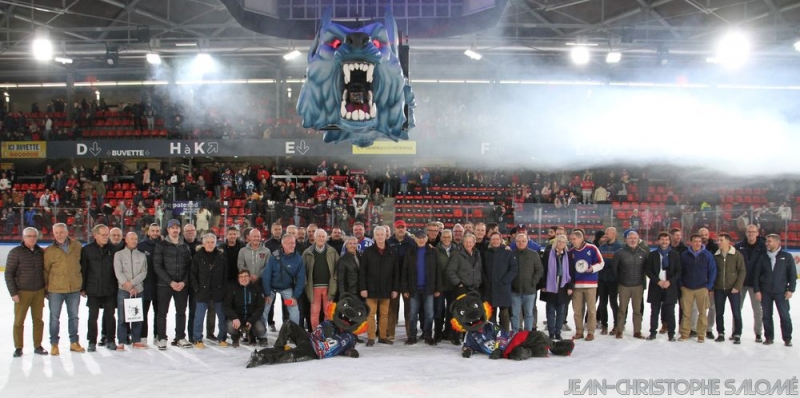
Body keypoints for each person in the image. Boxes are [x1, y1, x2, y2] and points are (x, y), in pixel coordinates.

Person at [5, 227, 48, 357]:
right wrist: (13, 293)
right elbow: (9, 273)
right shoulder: (16, 252)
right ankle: (18, 347)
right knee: (19, 321)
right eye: (29, 236)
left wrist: (45, 290)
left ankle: (38, 345)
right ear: (23, 238)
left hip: (38, 291)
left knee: (38, 320)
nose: (32, 238)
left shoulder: (40, 252)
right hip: (22, 292)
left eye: (34, 236)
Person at [44, 222, 85, 355]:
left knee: (74, 317)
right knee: (54, 318)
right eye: (56, 233)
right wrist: (46, 289)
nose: (59, 235)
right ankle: (54, 344)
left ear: (67, 232)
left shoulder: (77, 246)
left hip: (73, 289)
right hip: (55, 290)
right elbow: (45, 271)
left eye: (61, 232)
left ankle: (74, 342)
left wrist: (82, 285)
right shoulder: (49, 251)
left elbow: (82, 265)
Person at [154, 219, 193, 350]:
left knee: (181, 312)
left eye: (177, 228)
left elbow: (189, 267)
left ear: (180, 230)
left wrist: (183, 282)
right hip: (165, 285)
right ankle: (161, 338)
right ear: (168, 230)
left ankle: (180, 337)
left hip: (181, 286)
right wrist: (170, 282)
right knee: (162, 313)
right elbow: (157, 266)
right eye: (172, 228)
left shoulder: (185, 246)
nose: (175, 230)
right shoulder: (161, 245)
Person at [81, 224, 119, 351]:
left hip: (110, 289)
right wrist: (83, 288)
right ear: (95, 235)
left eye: (107, 234)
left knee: (110, 316)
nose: (105, 237)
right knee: (93, 317)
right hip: (93, 289)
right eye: (103, 235)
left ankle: (111, 339)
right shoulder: (87, 250)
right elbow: (84, 270)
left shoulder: (114, 249)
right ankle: (92, 341)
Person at [359, 226, 399, 346]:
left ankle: (382, 336)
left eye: (382, 234)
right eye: (378, 235)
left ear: (386, 235)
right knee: (370, 314)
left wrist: (395, 289)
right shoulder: (368, 252)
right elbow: (362, 272)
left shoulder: (392, 251)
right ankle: (371, 337)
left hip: (386, 288)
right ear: (374, 236)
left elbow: (396, 272)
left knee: (384, 314)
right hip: (371, 289)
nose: (380, 237)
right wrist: (363, 288)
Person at [753, 234, 796, 346]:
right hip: (765, 292)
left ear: (777, 242)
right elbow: (756, 275)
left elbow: (792, 275)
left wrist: (791, 290)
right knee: (766, 316)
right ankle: (769, 337)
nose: (767, 243)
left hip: (781, 292)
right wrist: (757, 290)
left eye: (770, 241)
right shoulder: (762, 257)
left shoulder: (787, 257)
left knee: (784, 316)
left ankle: (787, 338)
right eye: (767, 241)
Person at [401, 229, 441, 345]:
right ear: (415, 239)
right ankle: (412, 336)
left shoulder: (433, 252)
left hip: (429, 288)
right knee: (413, 314)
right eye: (419, 237)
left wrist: (438, 288)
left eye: (423, 237)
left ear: (427, 238)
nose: (421, 239)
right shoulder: (410, 252)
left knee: (429, 314)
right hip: (414, 288)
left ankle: (428, 335)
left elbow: (438, 271)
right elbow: (405, 271)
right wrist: (405, 288)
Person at [190, 233, 229, 348]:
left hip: (218, 292)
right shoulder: (197, 257)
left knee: (222, 317)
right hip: (202, 292)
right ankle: (197, 339)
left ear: (215, 243)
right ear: (203, 243)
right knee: (199, 317)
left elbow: (225, 275)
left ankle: (222, 338)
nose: (210, 244)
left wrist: (223, 289)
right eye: (208, 242)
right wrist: (197, 288)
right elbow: (193, 275)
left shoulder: (221, 257)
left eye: (212, 242)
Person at [444, 233, 482, 345]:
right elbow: (450, 271)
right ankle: (455, 336)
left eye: (470, 242)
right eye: (466, 242)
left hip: (474, 288)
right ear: (463, 242)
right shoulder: (457, 254)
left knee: (471, 314)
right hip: (462, 288)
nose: (468, 244)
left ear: (474, 243)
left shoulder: (477, 253)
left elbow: (479, 269)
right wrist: (459, 284)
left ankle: (467, 335)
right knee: (459, 313)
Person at [610, 230, 648, 339]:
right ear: (626, 239)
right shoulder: (619, 253)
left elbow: (645, 270)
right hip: (624, 285)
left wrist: (643, 284)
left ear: (638, 239)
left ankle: (637, 331)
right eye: (630, 238)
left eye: (634, 238)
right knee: (622, 309)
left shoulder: (643, 253)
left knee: (637, 310)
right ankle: (619, 330)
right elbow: (614, 269)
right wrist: (620, 281)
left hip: (637, 285)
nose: (632, 240)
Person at [678, 234, 716, 343]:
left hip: (702, 288)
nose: (697, 243)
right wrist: (681, 284)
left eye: (699, 241)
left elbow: (712, 271)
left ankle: (701, 334)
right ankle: (685, 333)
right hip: (687, 288)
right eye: (695, 241)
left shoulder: (707, 255)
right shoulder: (685, 255)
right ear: (691, 242)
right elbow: (680, 271)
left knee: (702, 313)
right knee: (686, 312)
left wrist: (708, 286)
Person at [113, 232, 148, 349]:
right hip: (123, 290)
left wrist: (133, 284)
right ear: (126, 240)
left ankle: (136, 340)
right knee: (122, 317)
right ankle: (122, 341)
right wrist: (128, 286)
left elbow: (144, 272)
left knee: (137, 317)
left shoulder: (142, 255)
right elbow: (118, 272)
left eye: (136, 239)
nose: (134, 241)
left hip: (138, 290)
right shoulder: (118, 255)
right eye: (131, 239)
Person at [262, 234, 306, 326]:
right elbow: (266, 276)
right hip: (271, 288)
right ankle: (262, 334)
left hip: (286, 288)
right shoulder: (274, 257)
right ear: (283, 244)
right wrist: (267, 294)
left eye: (293, 243)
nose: (292, 245)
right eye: (289, 243)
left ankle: (294, 333)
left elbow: (301, 279)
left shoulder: (298, 259)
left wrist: (295, 297)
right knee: (265, 308)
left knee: (294, 309)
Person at [568, 230, 604, 341]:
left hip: (591, 284)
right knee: (577, 310)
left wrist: (592, 268)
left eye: (574, 239)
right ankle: (579, 331)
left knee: (591, 309)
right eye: (571, 239)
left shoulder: (592, 248)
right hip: (577, 285)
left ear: (580, 238)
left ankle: (591, 332)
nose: (572, 241)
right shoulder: (571, 252)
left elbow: (601, 263)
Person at [645, 232, 681, 341]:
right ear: (658, 241)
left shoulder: (675, 255)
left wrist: (670, 281)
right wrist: (658, 281)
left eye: (666, 240)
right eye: (662, 239)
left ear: (669, 241)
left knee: (670, 312)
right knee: (654, 312)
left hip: (670, 287)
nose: (664, 242)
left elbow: (679, 271)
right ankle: (652, 333)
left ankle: (671, 334)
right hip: (656, 286)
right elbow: (648, 270)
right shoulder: (653, 255)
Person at [734, 224, 766, 342]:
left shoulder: (763, 247)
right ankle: (735, 332)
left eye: (753, 232)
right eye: (749, 231)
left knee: (757, 310)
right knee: (737, 308)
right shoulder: (738, 246)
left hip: (756, 284)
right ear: (746, 233)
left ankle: (758, 333)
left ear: (758, 233)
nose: (751, 234)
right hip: (740, 283)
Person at [712, 233, 746, 344]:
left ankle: (737, 334)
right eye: (718, 240)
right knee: (719, 312)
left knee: (736, 312)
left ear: (728, 241)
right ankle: (720, 333)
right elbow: (712, 272)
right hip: (719, 289)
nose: (719, 242)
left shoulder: (737, 255)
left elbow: (742, 271)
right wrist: (712, 287)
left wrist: (737, 286)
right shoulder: (715, 255)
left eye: (721, 240)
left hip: (733, 289)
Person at [302, 229, 339, 329]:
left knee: (328, 312)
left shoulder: (332, 251)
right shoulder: (308, 252)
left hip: (329, 286)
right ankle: (316, 333)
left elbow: (338, 266)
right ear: (314, 237)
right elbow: (302, 270)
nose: (321, 238)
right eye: (319, 236)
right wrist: (305, 282)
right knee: (314, 312)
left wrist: (335, 278)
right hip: (313, 287)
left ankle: (328, 333)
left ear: (326, 238)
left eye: (323, 236)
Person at [483, 232, 518, 332]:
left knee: (504, 313)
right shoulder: (487, 253)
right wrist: (486, 281)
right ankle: (492, 333)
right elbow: (483, 269)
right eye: (493, 239)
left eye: (497, 239)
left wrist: (505, 280)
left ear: (501, 240)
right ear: (490, 240)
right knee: (491, 313)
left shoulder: (507, 252)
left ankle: (505, 334)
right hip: (490, 288)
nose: (495, 241)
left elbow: (514, 269)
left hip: (503, 288)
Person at [224, 269, 266, 348]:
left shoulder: (256, 289)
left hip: (251, 318)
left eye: (246, 276)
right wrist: (234, 318)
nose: (243, 278)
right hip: (238, 318)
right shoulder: (232, 289)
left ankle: (251, 334)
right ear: (238, 279)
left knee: (261, 330)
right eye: (241, 277)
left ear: (250, 278)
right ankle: (236, 337)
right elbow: (227, 306)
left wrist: (252, 320)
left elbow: (260, 307)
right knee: (229, 326)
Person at [540, 235, 571, 340]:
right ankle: (551, 332)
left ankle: (558, 332)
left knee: (561, 311)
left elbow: (571, 272)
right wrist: (543, 285)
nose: (561, 244)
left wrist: (570, 287)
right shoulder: (548, 254)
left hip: (563, 286)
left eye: (563, 242)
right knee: (550, 310)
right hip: (550, 286)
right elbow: (543, 270)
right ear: (555, 242)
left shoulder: (568, 255)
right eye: (559, 242)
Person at [511, 233, 543, 332]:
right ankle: (515, 334)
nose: (521, 243)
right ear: (515, 242)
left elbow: (539, 270)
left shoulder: (533, 254)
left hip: (529, 290)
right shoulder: (511, 254)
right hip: (515, 290)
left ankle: (528, 334)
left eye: (523, 241)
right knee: (515, 314)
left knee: (529, 314)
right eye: (518, 241)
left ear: (527, 242)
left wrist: (533, 282)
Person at [136, 223, 161, 343]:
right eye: (153, 231)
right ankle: (143, 336)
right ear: (148, 232)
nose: (155, 233)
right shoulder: (140, 246)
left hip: (160, 286)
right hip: (144, 286)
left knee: (159, 313)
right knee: (143, 313)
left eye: (157, 231)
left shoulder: (163, 245)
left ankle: (158, 336)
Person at [596, 227, 622, 335]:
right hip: (602, 279)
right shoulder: (601, 247)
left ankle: (616, 325)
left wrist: (608, 264)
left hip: (614, 280)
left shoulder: (620, 248)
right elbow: (599, 262)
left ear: (614, 234)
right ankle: (604, 325)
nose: (605, 235)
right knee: (602, 303)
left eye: (607, 233)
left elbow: (618, 264)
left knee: (613, 303)